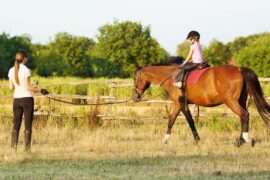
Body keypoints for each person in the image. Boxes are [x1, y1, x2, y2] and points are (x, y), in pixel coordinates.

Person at [8, 50, 49, 152]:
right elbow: (27, 87)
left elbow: (10, 87)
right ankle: (27, 150)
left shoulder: (11, 70)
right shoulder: (26, 70)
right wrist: (40, 90)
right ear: (24, 58)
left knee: (16, 125)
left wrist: (28, 86)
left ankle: (13, 150)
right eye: (27, 57)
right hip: (27, 100)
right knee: (28, 125)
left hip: (16, 100)